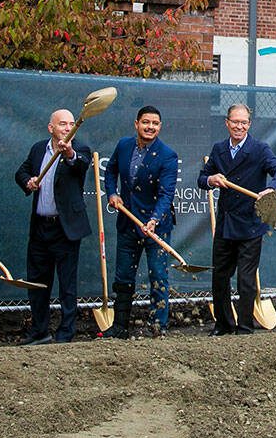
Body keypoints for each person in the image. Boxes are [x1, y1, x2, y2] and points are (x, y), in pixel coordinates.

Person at [198, 102, 276, 335]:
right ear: (227, 123)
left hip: (250, 224)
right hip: (226, 223)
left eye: (244, 122)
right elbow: (201, 179)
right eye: (235, 122)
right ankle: (223, 324)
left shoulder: (259, 149)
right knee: (220, 277)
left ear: (249, 124)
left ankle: (245, 327)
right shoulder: (219, 149)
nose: (239, 126)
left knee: (246, 280)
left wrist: (272, 189)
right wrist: (211, 179)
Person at [15, 107, 94, 344]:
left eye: (71, 124)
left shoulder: (79, 149)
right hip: (40, 227)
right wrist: (28, 181)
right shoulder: (39, 149)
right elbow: (22, 171)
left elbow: (80, 165)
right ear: (51, 128)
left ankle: (66, 333)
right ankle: (40, 331)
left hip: (65, 228)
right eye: (63, 124)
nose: (68, 128)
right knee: (38, 282)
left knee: (67, 284)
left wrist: (68, 153)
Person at [103, 104, 179, 339]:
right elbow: (110, 171)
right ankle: (120, 326)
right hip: (128, 223)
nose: (150, 127)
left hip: (156, 227)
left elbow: (166, 194)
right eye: (146, 122)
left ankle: (158, 326)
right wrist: (112, 194)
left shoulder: (167, 155)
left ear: (160, 127)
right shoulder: (124, 145)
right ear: (136, 124)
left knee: (158, 275)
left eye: (155, 123)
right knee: (123, 276)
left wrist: (154, 219)